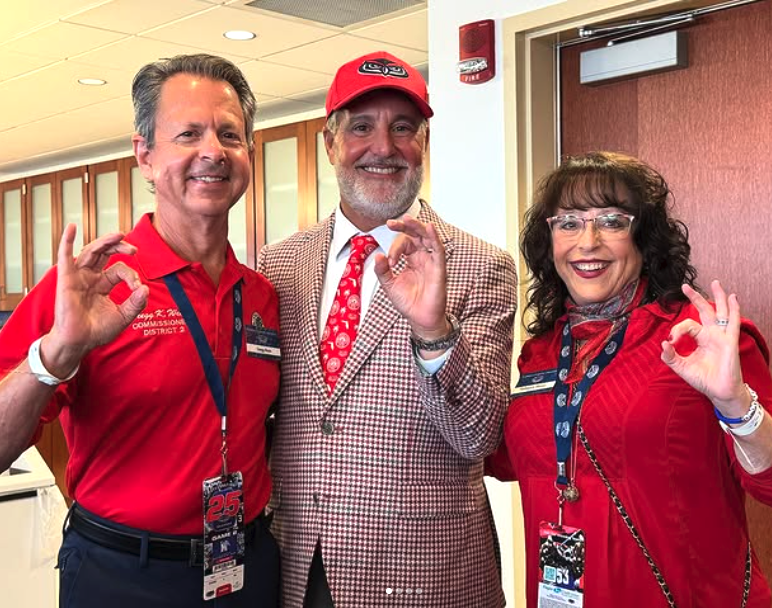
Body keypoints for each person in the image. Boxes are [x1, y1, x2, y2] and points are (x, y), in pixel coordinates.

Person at [0, 54, 281, 608]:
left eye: (229, 134)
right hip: (125, 574)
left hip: (246, 566)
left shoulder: (262, 296)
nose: (213, 151)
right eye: (188, 134)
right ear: (145, 155)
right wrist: (55, 354)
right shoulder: (90, 286)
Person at [257, 51, 517, 608]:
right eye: (361, 128)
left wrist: (434, 332)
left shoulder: (479, 265)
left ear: (424, 144)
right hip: (295, 562)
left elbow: (479, 437)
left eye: (403, 128)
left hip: (425, 572)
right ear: (330, 144)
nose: (383, 147)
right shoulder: (278, 265)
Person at [487, 151, 772, 607]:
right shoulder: (541, 353)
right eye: (569, 223)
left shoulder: (698, 339)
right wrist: (432, 342)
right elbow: (501, 458)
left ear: (644, 237)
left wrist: (735, 403)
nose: (588, 242)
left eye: (612, 221)